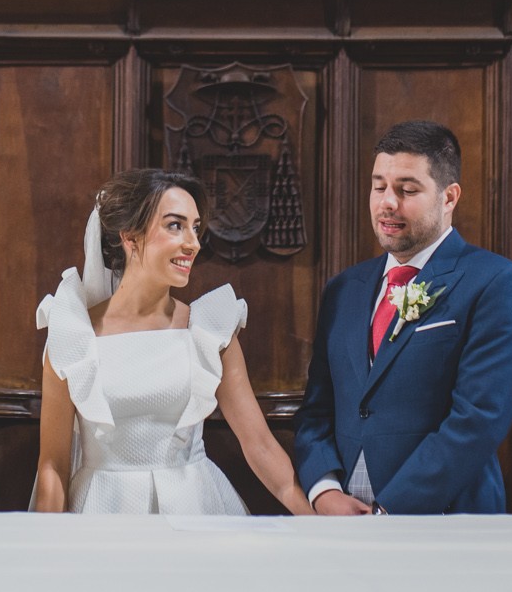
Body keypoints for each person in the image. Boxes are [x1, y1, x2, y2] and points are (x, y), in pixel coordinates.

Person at [31, 169, 311, 515]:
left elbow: (260, 446)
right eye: (175, 225)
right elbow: (53, 467)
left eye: (195, 227)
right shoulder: (73, 334)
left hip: (194, 506)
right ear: (130, 237)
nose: (192, 242)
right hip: (103, 511)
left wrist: (319, 525)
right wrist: (43, 547)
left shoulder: (209, 330)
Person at [294, 121, 512, 515]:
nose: (388, 203)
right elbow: (317, 409)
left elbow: (477, 420)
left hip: (445, 518)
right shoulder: (343, 289)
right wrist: (323, 491)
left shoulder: (496, 283)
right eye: (378, 186)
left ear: (449, 197)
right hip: (340, 519)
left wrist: (391, 510)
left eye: (407, 190)